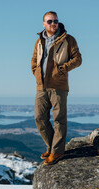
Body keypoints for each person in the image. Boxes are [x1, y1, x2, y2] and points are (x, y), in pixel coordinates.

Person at [31, 11, 82, 165]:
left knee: (59, 120)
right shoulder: (39, 40)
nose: (54, 24)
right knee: (39, 118)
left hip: (59, 86)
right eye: (50, 21)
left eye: (56, 21)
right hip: (41, 86)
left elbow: (78, 59)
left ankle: (57, 152)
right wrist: (36, 72)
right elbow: (34, 60)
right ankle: (51, 146)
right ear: (43, 23)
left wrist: (62, 69)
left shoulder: (68, 39)